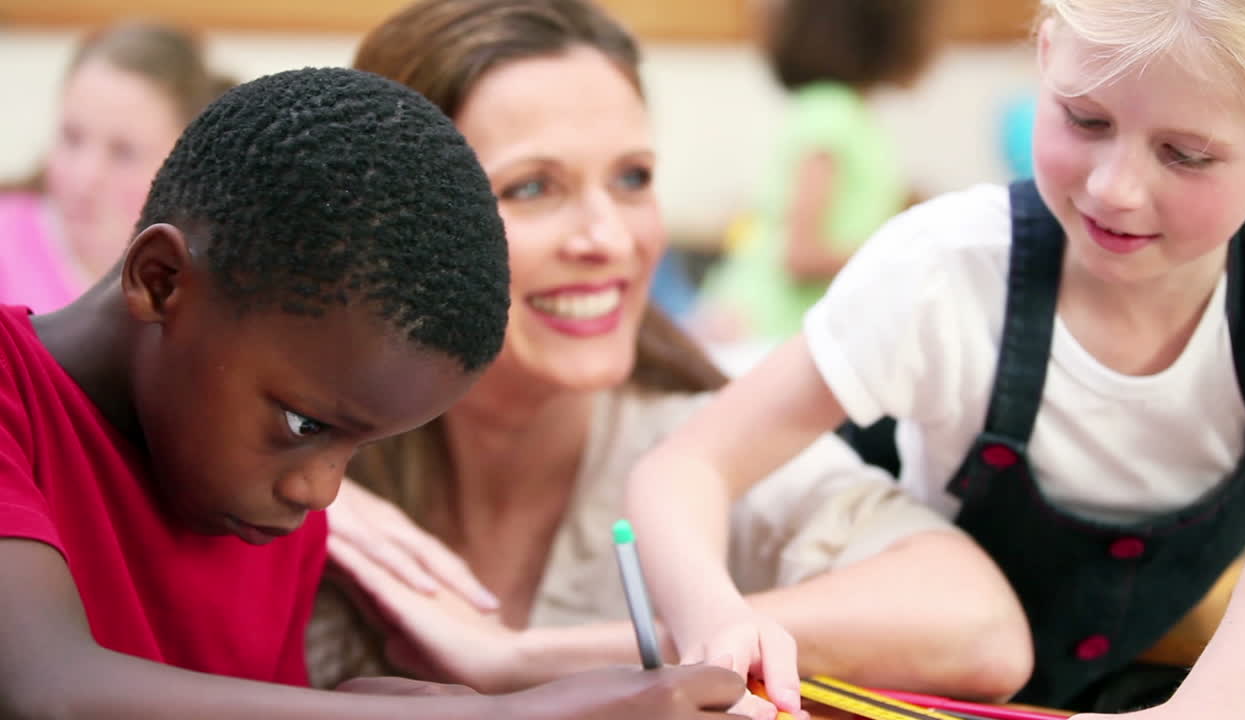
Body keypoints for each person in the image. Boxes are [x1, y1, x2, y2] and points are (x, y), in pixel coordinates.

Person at [303, 2, 1032, 718]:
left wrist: (522, 661)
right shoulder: (315, 473)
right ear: (392, 225)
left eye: (632, 179)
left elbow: (983, 631)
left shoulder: (694, 447)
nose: (610, 239)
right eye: (532, 187)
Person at [0, 65, 747, 719]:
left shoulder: (266, 512)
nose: (323, 491)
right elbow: (44, 692)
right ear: (162, 281)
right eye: (303, 423)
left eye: (359, 448)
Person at [625, 0, 1245, 716]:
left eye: (1185, 155)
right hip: (912, 693)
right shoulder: (943, 267)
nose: (1112, 188)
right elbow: (685, 465)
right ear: (1047, 57)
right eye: (1085, 120)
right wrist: (718, 620)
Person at [694, 0, 939, 345]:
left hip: (784, 326)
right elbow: (801, 254)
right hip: (767, 326)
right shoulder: (831, 113)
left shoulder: (845, 113)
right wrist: (905, 254)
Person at [0, 21, 233, 313]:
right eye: (72, 138)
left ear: (184, 164)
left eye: (123, 152)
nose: (84, 178)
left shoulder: (204, 288)